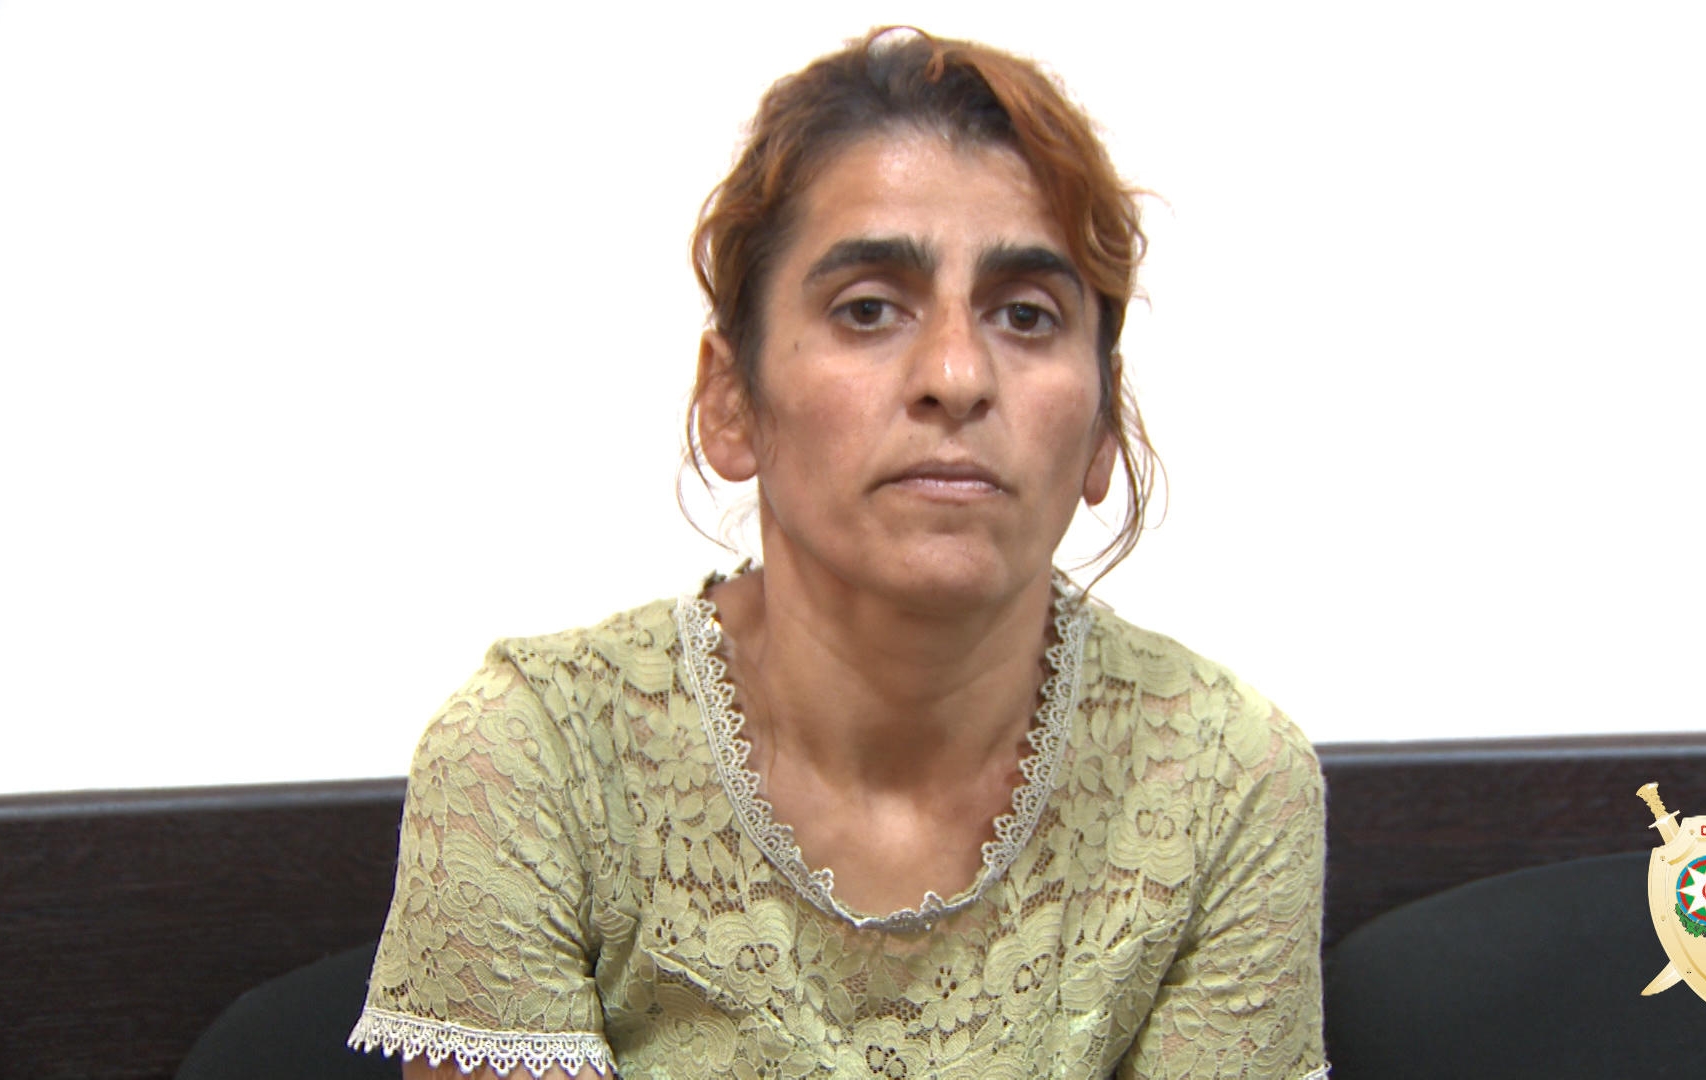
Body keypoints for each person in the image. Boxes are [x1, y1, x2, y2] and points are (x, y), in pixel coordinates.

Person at [349, 27, 1328, 1080]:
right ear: (732, 402)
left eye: (1026, 315)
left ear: (1100, 428)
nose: (957, 376)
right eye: (868, 310)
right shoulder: (537, 753)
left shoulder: (1224, 779)